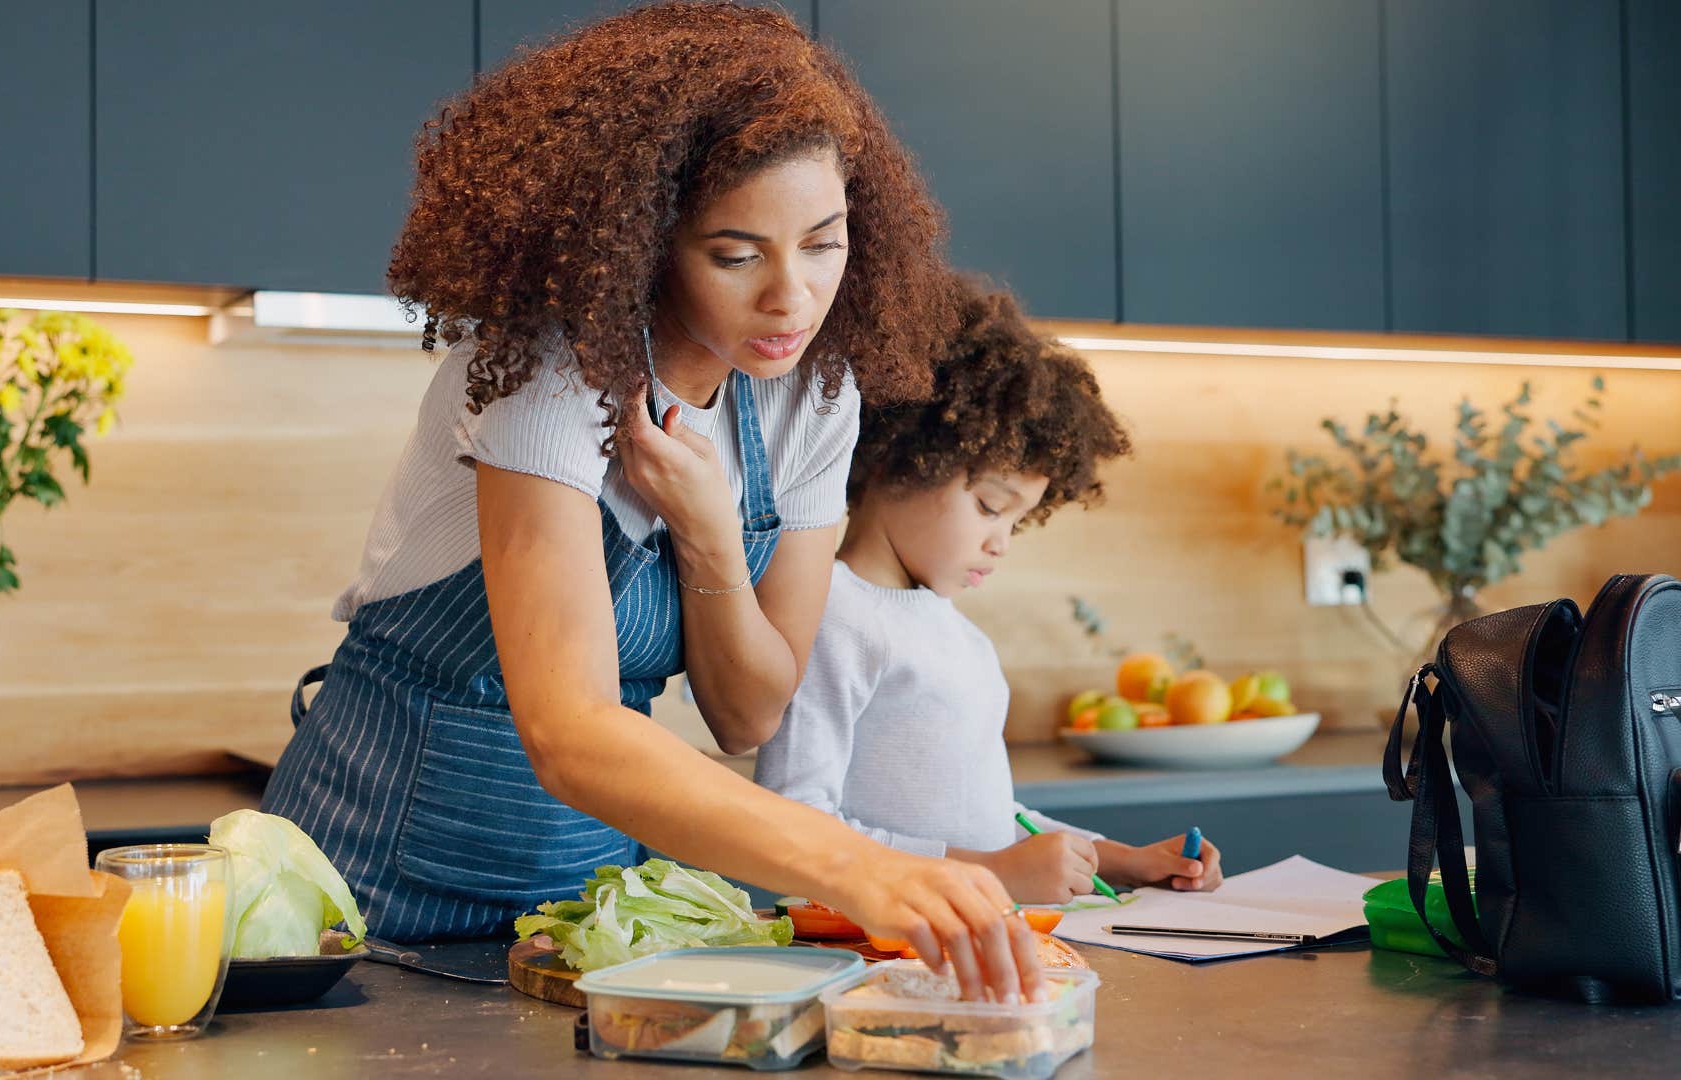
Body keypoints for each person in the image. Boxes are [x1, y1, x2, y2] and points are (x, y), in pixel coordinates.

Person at [262, 4, 1043, 1000]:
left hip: (580, 908)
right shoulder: (550, 375)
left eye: (823, 243)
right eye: (735, 254)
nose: (792, 299)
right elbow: (571, 729)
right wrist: (859, 867)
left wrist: (711, 538)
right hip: (368, 894)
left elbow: (749, 710)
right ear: (644, 242)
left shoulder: (814, 397)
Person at [755, 278, 1226, 903]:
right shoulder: (831, 614)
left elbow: (989, 820)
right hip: (871, 953)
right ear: (902, 456)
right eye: (989, 506)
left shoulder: (959, 635)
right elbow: (794, 824)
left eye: (1017, 520)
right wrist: (992, 875)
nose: (1002, 542)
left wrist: (1124, 861)